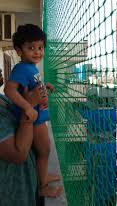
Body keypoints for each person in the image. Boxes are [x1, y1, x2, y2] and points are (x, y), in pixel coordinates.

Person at [4, 24, 61, 197]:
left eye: (40, 48)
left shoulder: (30, 67)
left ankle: (43, 176)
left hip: (38, 116)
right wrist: (28, 107)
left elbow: (33, 84)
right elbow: (9, 90)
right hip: (34, 120)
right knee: (44, 150)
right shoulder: (21, 68)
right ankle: (42, 186)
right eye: (31, 48)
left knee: (42, 151)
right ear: (19, 50)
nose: (37, 52)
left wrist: (45, 85)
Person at [0, 68, 46, 205]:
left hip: (27, 191)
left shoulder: (2, 99)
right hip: (12, 197)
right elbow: (18, 154)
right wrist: (30, 105)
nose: (0, 69)